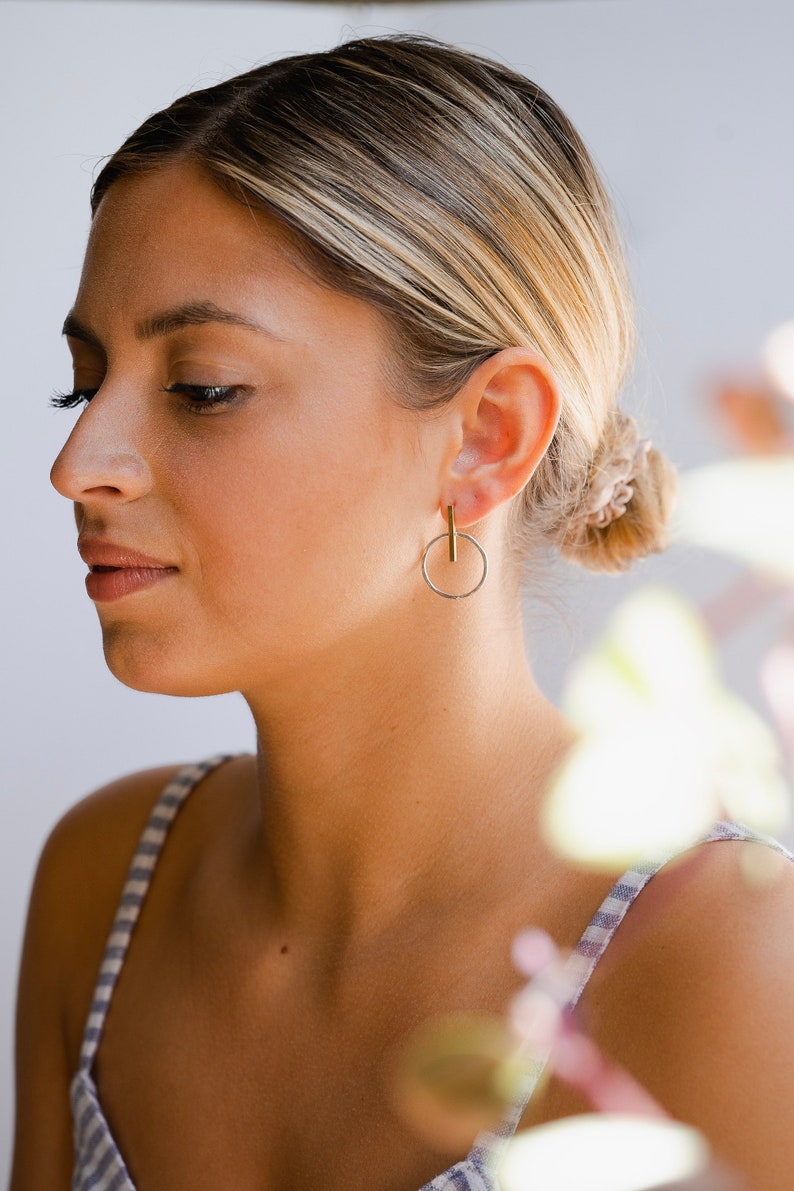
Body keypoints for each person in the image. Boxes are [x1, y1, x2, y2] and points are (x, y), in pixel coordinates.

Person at [10, 33, 794, 1191]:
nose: (79, 464)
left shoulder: (728, 964)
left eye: (201, 388)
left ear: (485, 440)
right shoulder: (105, 876)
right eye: (85, 383)